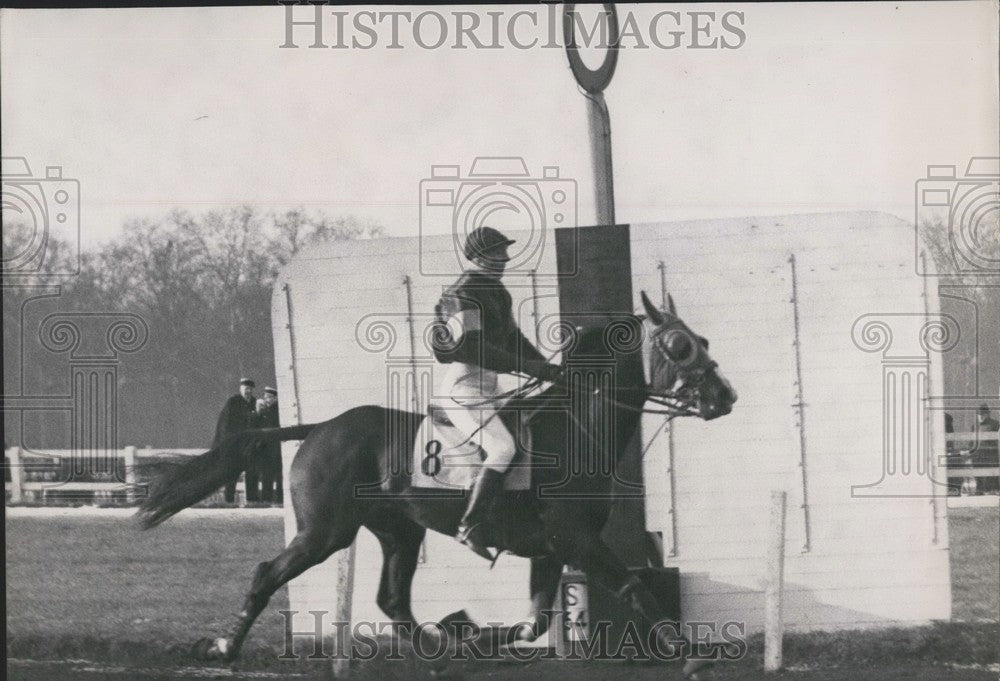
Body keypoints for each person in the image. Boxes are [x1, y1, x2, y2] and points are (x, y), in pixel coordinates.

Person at [433, 226, 562, 558]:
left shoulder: (497, 292)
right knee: (503, 448)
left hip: (489, 387)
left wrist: (551, 370)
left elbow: (515, 340)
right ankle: (470, 525)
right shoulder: (463, 292)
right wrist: (531, 368)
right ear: (477, 257)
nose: (505, 258)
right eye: (497, 253)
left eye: (504, 251)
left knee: (533, 425)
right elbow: (473, 349)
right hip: (463, 388)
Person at [214, 378, 257, 504]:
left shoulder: (255, 402)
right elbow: (225, 423)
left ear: (253, 390)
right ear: (240, 389)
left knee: (252, 470)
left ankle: (252, 500)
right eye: (245, 389)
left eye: (249, 389)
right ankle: (229, 499)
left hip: (249, 444)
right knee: (232, 471)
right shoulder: (233, 402)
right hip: (235, 443)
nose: (247, 391)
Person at [252, 387, 282, 504]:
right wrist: (258, 412)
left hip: (276, 448)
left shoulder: (277, 410)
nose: (266, 400)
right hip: (267, 449)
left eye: (269, 397)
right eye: (265, 397)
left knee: (277, 475)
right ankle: (268, 498)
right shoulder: (264, 411)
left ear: (275, 398)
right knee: (267, 475)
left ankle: (276, 498)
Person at [974, 403, 999, 493]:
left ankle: (993, 489)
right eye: (979, 414)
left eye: (983, 414)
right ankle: (979, 489)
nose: (980, 417)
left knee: (991, 472)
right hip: (978, 454)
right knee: (978, 472)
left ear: (987, 414)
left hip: (991, 453)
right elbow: (971, 442)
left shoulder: (995, 424)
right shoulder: (975, 427)